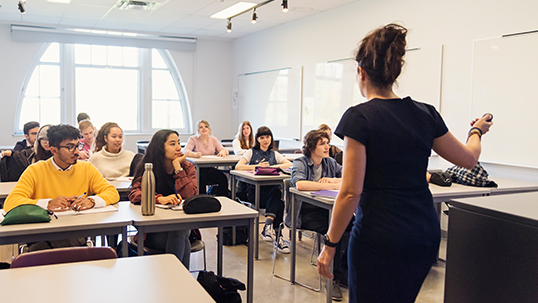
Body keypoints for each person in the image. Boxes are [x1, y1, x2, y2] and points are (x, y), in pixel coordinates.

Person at [316, 24, 493, 303]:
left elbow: (351, 192)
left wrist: (330, 245)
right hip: (423, 235)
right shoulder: (426, 114)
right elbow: (469, 158)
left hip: (379, 239)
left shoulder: (359, 118)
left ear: (361, 73)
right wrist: (477, 131)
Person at [4, 124, 119, 250]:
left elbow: (112, 192)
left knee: (48, 248)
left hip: (76, 230)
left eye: (77, 146)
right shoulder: (36, 170)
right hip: (43, 232)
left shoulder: (86, 168)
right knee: (53, 247)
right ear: (53, 150)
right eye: (70, 147)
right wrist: (48, 204)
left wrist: (91, 201)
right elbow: (11, 202)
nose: (76, 152)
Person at [289, 129, 349, 300]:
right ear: (311, 146)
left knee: (354, 225)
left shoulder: (329, 162)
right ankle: (334, 279)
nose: (327, 147)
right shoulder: (300, 162)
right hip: (305, 213)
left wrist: (332, 180)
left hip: (327, 210)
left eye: (327, 143)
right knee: (335, 232)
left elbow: (347, 177)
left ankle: (343, 270)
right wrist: (329, 186)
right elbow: (300, 184)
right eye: (322, 143)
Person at [129, 129, 197, 268]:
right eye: (172, 144)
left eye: (178, 142)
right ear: (160, 147)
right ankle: (181, 283)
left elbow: (191, 196)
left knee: (179, 231)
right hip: (154, 230)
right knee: (181, 237)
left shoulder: (187, 167)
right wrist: (159, 199)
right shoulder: (148, 167)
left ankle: (172, 282)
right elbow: (135, 193)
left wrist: (178, 168)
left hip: (184, 225)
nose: (178, 147)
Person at [235, 126, 292, 253]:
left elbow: (290, 164)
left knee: (277, 195)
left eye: (268, 137)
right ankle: (278, 237)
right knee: (278, 201)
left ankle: (268, 227)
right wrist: (257, 166)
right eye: (262, 137)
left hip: (271, 195)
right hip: (255, 193)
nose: (265, 140)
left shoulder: (274, 154)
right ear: (258, 139)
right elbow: (238, 167)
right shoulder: (251, 152)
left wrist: (272, 166)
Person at [183, 120, 229, 196]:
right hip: (197, 169)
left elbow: (224, 150)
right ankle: (203, 200)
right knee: (201, 178)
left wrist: (222, 152)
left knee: (223, 178)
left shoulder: (213, 139)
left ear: (209, 129)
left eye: (206, 126)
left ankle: (223, 199)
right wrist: (194, 154)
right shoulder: (193, 139)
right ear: (198, 130)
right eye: (201, 127)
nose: (204, 129)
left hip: (209, 168)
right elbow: (185, 151)